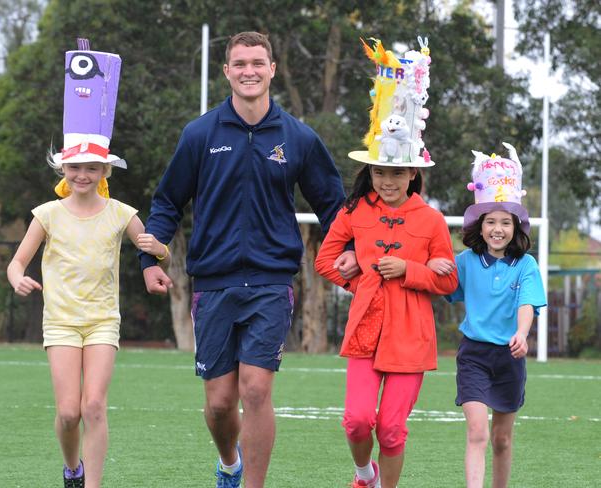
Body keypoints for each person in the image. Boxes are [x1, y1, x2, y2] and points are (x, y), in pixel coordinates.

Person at [139, 31, 358, 488]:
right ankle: (230, 465)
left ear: (272, 69)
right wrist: (151, 260)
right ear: (227, 72)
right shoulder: (200, 134)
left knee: (256, 390)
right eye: (240, 64)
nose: (249, 71)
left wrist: (351, 250)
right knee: (220, 403)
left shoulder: (298, 137)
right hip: (214, 282)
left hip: (271, 282)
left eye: (258, 62)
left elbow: (334, 206)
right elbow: (166, 203)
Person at [6, 38, 167, 488]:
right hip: (60, 321)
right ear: (64, 170)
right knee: (68, 411)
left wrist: (158, 250)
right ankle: (71, 468)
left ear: (104, 173)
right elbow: (17, 263)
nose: (82, 175)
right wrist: (19, 278)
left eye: (91, 169)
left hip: (101, 321)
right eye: (75, 168)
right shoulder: (47, 214)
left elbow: (156, 250)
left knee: (94, 406)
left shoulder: (121, 213)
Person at [315, 36, 458, 488]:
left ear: (413, 172)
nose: (388, 180)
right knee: (357, 421)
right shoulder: (354, 210)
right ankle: (365, 475)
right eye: (380, 172)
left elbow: (449, 278)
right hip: (364, 331)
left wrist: (411, 272)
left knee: (392, 428)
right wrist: (351, 273)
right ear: (370, 172)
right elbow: (324, 260)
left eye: (396, 172)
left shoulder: (431, 219)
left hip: (411, 339)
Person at [429, 142, 547, 488]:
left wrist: (522, 334)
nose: (498, 228)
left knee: (501, 439)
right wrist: (434, 267)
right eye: (491, 222)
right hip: (474, 357)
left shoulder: (526, 265)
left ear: (516, 227)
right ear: (479, 227)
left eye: (505, 223)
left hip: (510, 358)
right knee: (478, 433)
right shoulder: (465, 262)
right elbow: (442, 285)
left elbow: (528, 304)